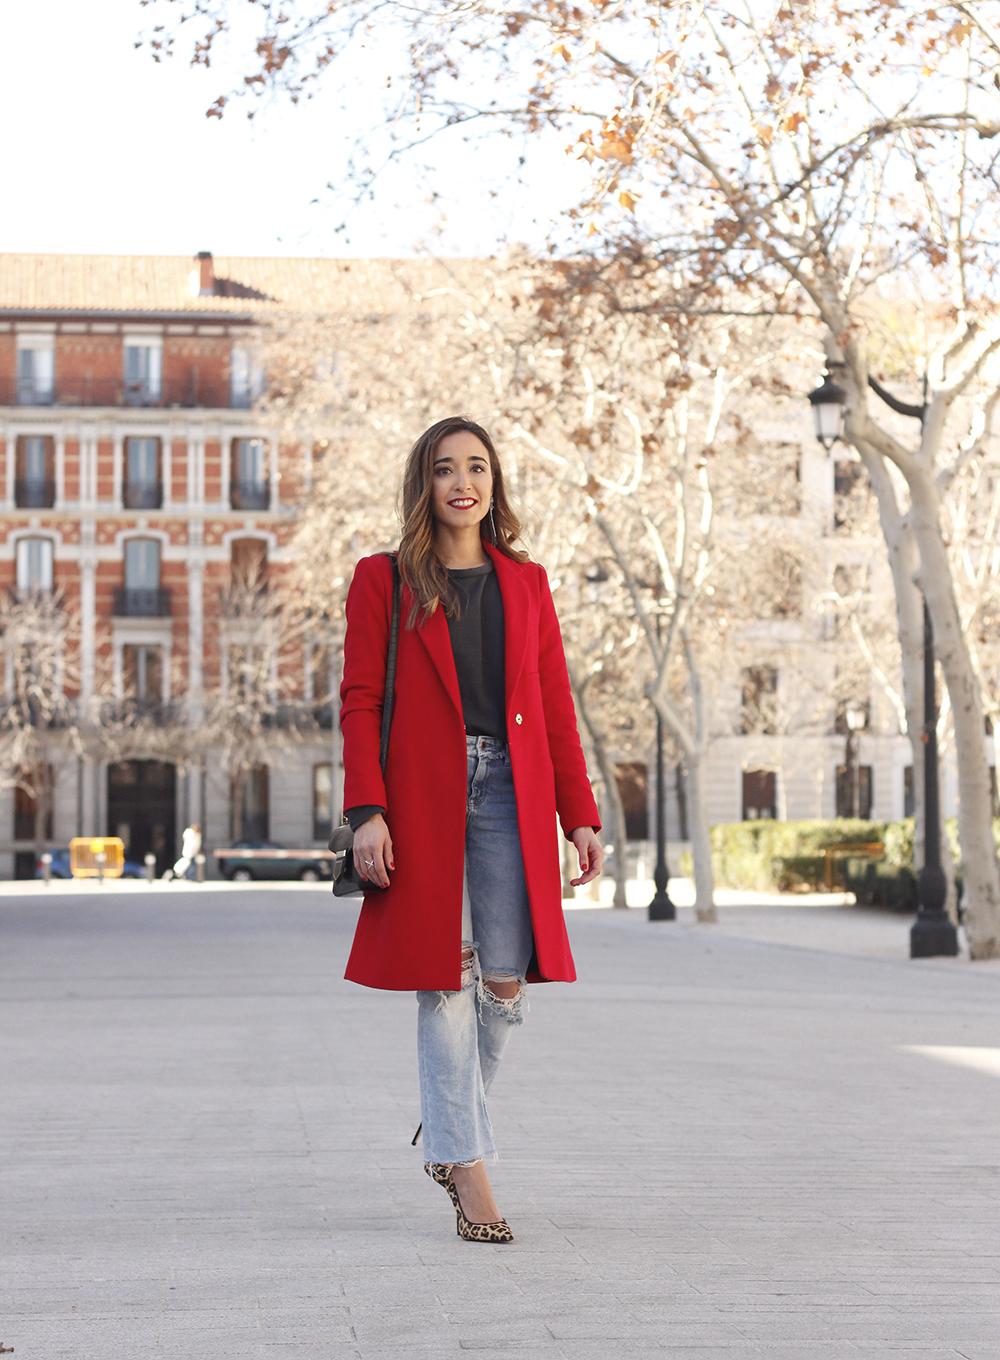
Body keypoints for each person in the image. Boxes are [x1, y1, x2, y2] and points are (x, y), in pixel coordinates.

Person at [339, 416, 604, 1243]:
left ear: (495, 483)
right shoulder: (384, 578)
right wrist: (366, 811)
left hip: (508, 795)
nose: (463, 482)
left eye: (478, 467)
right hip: (420, 795)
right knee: (443, 979)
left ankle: (449, 1136)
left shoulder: (526, 582)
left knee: (502, 984)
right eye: (446, 468)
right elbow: (359, 701)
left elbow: (555, 704)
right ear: (425, 484)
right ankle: (470, 1168)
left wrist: (581, 814)